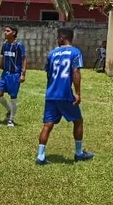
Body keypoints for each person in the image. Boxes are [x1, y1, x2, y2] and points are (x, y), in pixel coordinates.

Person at [36, 27, 94, 165]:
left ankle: (40, 156)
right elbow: (75, 72)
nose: (57, 40)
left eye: (57, 37)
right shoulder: (75, 52)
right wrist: (78, 93)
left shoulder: (52, 54)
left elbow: (48, 74)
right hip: (65, 94)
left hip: (51, 94)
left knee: (47, 125)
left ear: (62, 38)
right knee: (78, 121)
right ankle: (79, 153)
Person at [0, 25, 26, 127]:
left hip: (15, 75)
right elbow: (3, 56)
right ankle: (9, 110)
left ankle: (11, 120)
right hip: (5, 74)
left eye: (8, 31)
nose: (5, 32)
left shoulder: (19, 45)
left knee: (13, 97)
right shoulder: (4, 45)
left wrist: (23, 74)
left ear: (14, 33)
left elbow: (24, 59)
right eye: (5, 31)